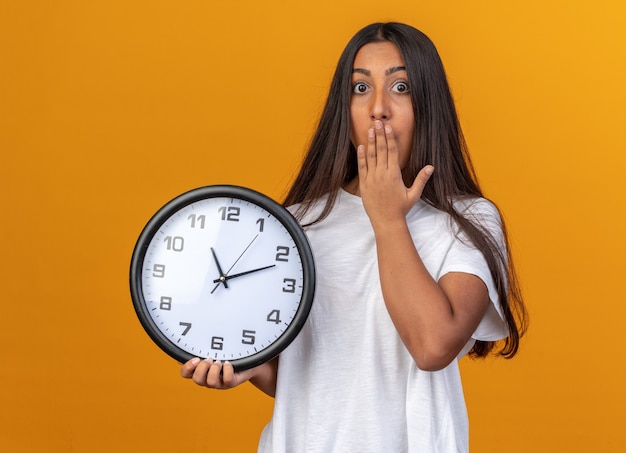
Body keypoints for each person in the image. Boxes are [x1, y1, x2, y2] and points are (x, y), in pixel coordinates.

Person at [181, 22, 527, 452]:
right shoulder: (296, 223)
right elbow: (305, 377)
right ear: (343, 111)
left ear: (429, 106)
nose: (378, 108)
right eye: (360, 89)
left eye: (400, 87)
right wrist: (247, 368)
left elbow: (433, 345)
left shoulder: (468, 219)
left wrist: (387, 218)